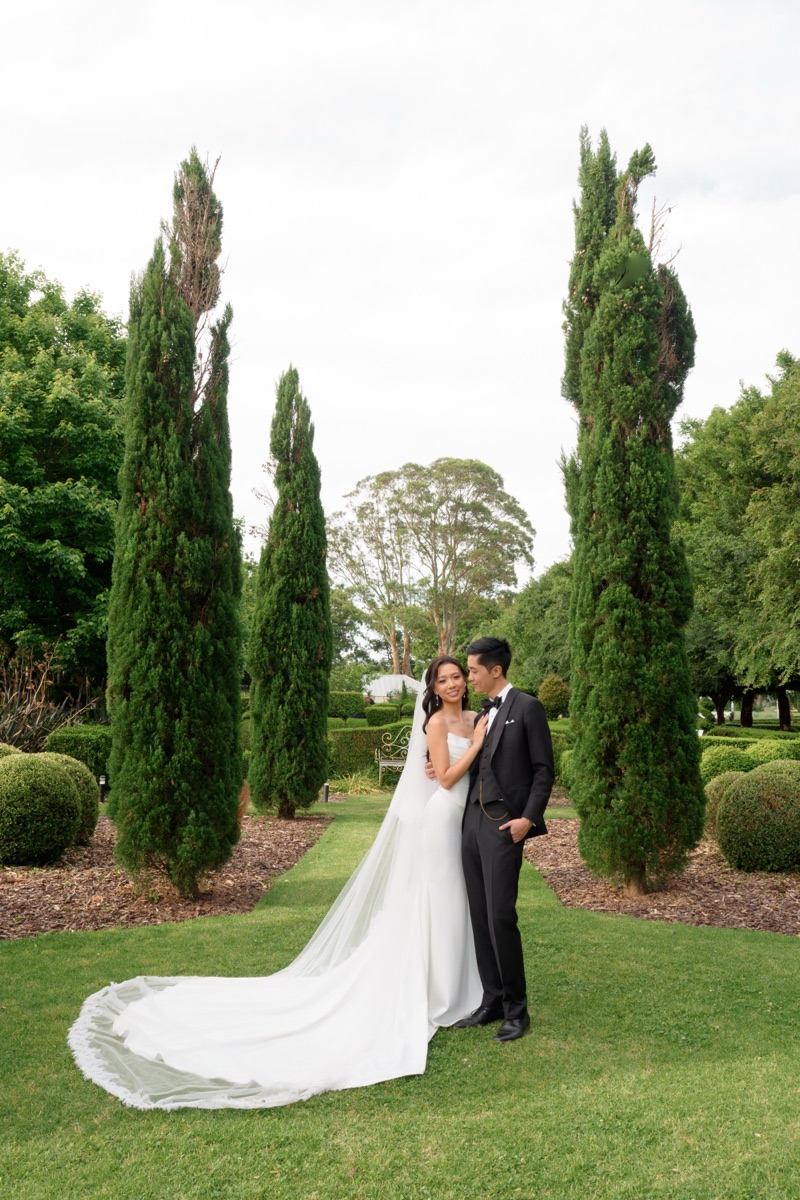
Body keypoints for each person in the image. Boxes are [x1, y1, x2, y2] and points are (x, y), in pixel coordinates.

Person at [68, 656, 484, 1110]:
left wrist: (476, 742)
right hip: (441, 821)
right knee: (439, 899)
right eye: (443, 679)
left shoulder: (474, 717)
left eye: (457, 677)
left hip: (465, 821)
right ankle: (439, 994)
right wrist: (476, 745)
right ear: (433, 688)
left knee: (451, 901)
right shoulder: (437, 724)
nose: (452, 684)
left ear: (466, 681)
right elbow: (446, 778)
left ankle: (456, 985)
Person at [427, 636, 554, 1043]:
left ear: (495, 670)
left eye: (473, 671)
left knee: (500, 916)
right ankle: (492, 1000)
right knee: (480, 916)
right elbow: (474, 760)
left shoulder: (528, 707)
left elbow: (543, 770)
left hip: (504, 826)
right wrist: (436, 765)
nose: (468, 679)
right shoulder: (483, 712)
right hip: (470, 825)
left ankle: (517, 1011)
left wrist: (527, 819)